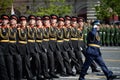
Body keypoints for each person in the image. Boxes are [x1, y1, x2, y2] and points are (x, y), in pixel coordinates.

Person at [9, 15, 22, 80]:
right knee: (11, 65)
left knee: (19, 64)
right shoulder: (7, 28)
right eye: (11, 20)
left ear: (16, 21)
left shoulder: (18, 28)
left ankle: (19, 77)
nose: (12, 21)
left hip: (17, 49)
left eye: (14, 20)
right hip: (9, 49)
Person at [0, 14, 10, 80]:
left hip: (8, 47)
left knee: (9, 63)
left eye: (5, 20)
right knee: (2, 63)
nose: (4, 21)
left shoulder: (10, 28)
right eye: (3, 20)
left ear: (7, 21)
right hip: (0, 47)